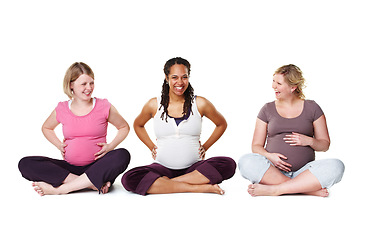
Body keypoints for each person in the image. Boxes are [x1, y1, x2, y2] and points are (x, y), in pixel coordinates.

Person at [122, 57, 236, 195]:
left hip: (194, 168)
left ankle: (166, 184)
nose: (180, 82)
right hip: (162, 168)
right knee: (129, 178)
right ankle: (195, 187)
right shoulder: (154, 104)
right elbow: (138, 125)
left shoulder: (200, 103)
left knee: (228, 164)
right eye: (174, 77)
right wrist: (151, 146)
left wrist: (205, 147)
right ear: (166, 77)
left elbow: (221, 124)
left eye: (184, 77)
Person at [18, 62, 131, 196]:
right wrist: (59, 145)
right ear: (71, 85)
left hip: (98, 166)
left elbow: (124, 127)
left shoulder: (103, 106)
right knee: (25, 163)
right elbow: (47, 128)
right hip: (69, 170)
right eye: (83, 84)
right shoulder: (62, 108)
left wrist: (111, 146)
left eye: (91, 83)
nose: (89, 88)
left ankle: (62, 189)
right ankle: (89, 183)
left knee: (122, 155)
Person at [238, 64, 344, 197]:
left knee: (337, 166)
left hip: (305, 172)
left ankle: (275, 190)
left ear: (293, 87)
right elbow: (256, 146)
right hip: (272, 171)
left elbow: (324, 145)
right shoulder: (267, 109)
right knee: (245, 161)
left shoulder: (313, 108)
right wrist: (270, 157)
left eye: (278, 83)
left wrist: (309, 141)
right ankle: (305, 189)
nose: (273, 86)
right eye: (273, 81)